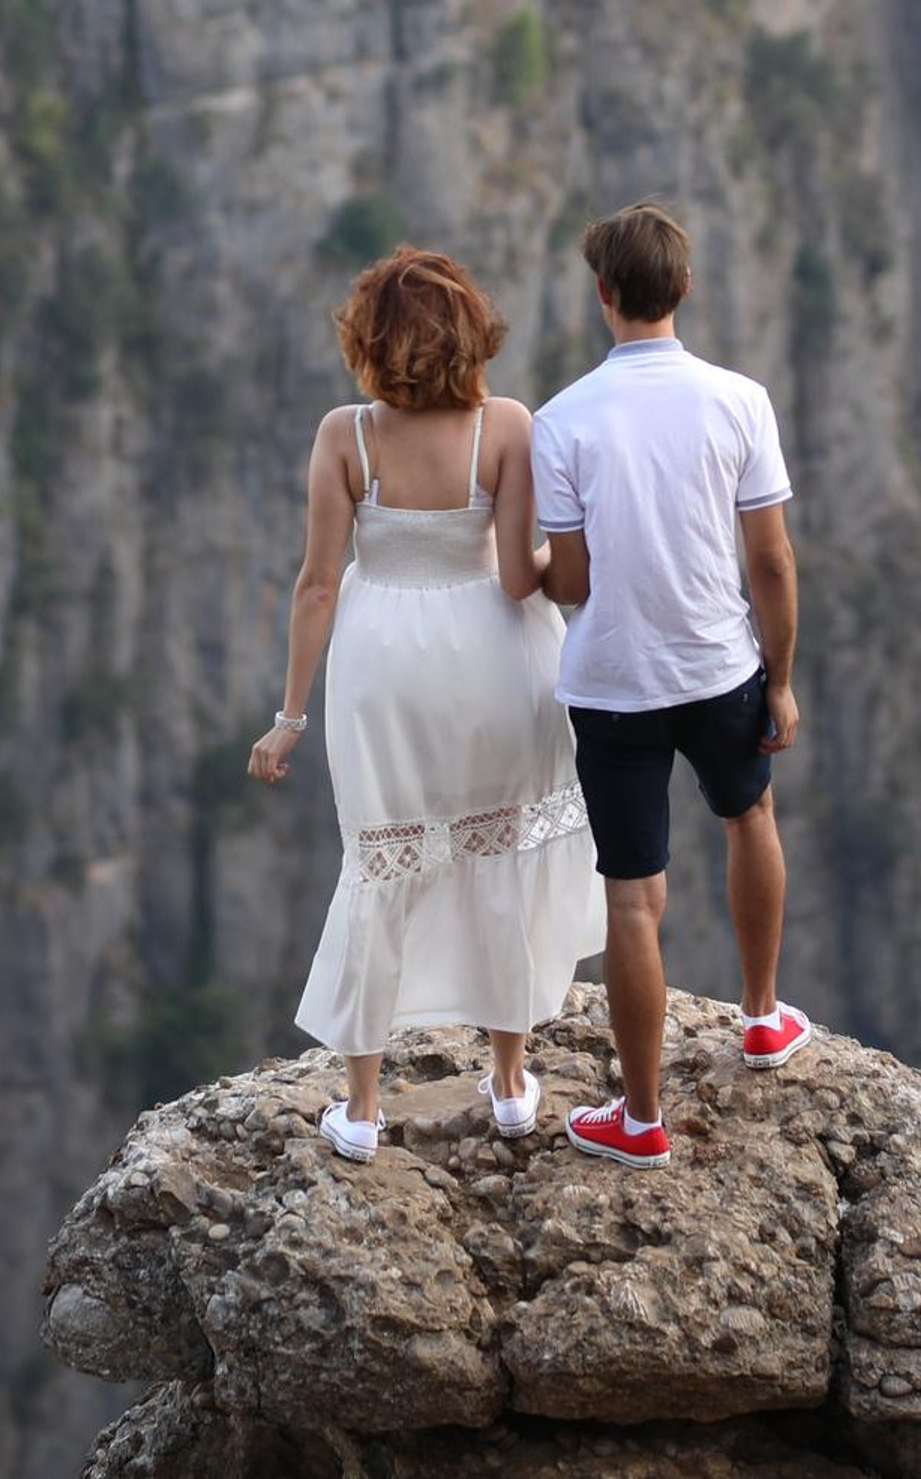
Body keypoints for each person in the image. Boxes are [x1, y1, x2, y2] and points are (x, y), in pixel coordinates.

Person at [249, 246, 605, 1162]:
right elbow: (528, 576)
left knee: (381, 861)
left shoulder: (344, 436)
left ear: (369, 342)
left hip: (382, 669)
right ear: (469, 335)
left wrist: (289, 717)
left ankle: (362, 1108)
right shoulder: (508, 426)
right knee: (501, 845)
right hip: (495, 652)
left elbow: (317, 586)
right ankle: (514, 1083)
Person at [531, 200, 809, 1170]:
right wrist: (779, 678)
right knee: (748, 816)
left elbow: (571, 583)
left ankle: (640, 1117)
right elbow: (768, 561)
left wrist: (529, 562)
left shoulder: (561, 420)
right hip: (718, 665)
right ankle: (764, 1017)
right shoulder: (739, 400)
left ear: (603, 294)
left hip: (611, 684)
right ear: (683, 288)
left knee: (630, 896)